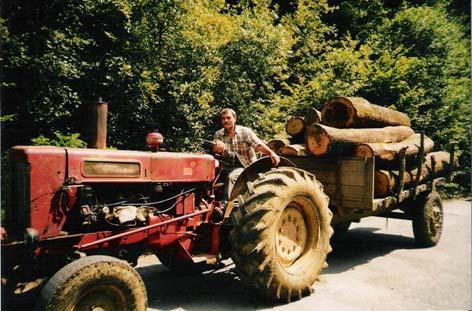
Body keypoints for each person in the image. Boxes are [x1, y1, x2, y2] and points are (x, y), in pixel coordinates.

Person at [212, 108, 280, 202]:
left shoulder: (245, 132)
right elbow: (216, 153)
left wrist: (271, 153)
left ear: (234, 119)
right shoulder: (219, 134)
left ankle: (226, 206)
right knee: (209, 177)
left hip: (245, 166)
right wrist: (216, 150)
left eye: (228, 118)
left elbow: (258, 145)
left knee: (232, 177)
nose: (226, 121)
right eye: (223, 118)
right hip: (226, 165)